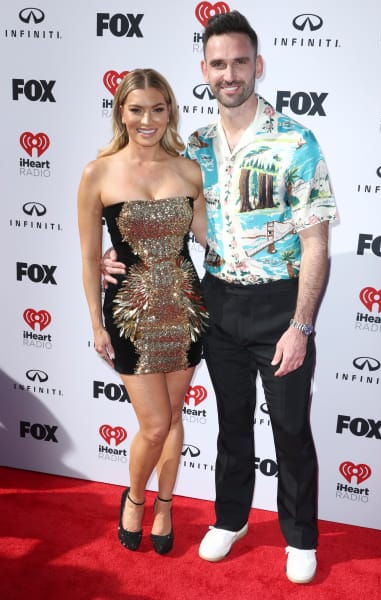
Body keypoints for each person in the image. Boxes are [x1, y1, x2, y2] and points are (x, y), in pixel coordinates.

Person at [103, 11, 337, 583]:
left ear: (257, 65)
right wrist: (118, 258)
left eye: (239, 62)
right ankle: (230, 519)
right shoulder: (195, 148)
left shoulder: (295, 139)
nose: (229, 73)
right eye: (217, 64)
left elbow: (316, 241)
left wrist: (301, 325)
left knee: (290, 428)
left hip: (280, 305)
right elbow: (160, 216)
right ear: (203, 71)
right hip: (217, 302)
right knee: (232, 424)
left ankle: (300, 536)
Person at [77, 68, 208, 555]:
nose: (147, 119)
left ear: (169, 111)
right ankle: (134, 498)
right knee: (154, 424)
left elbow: (209, 238)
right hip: (131, 314)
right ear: (121, 112)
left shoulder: (189, 170)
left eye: (157, 108)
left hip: (186, 308)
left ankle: (166, 504)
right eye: (137, 109)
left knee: (173, 417)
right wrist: (96, 322)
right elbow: (90, 257)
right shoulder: (99, 173)